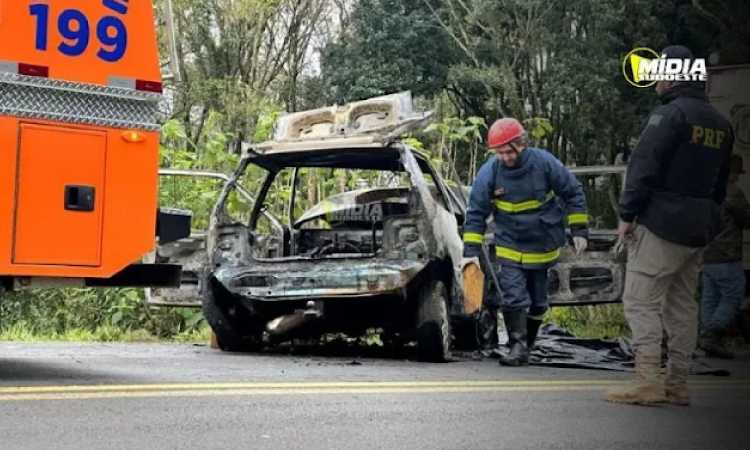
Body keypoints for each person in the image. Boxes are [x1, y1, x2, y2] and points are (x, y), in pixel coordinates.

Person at [605, 45, 735, 407]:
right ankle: (677, 383)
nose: (657, 79)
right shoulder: (721, 124)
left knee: (640, 301)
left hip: (662, 224)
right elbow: (721, 185)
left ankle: (647, 380)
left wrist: (627, 216)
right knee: (682, 306)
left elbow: (643, 167)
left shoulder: (669, 116)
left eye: (661, 72)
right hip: (697, 229)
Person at [461, 117, 589, 367]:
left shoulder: (544, 163)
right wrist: (470, 252)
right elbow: (476, 212)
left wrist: (579, 230)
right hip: (509, 242)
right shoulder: (490, 173)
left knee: (539, 301)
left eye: (509, 152)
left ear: (521, 144)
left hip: (542, 243)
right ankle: (517, 347)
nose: (506, 158)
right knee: (513, 297)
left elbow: (573, 192)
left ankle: (527, 344)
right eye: (500, 153)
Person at [700, 154, 750, 359]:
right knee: (733, 295)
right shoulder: (732, 191)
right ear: (729, 172)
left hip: (707, 253)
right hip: (727, 254)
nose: (737, 177)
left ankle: (708, 340)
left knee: (710, 297)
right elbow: (747, 220)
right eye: (736, 172)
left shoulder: (704, 189)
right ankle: (711, 334)